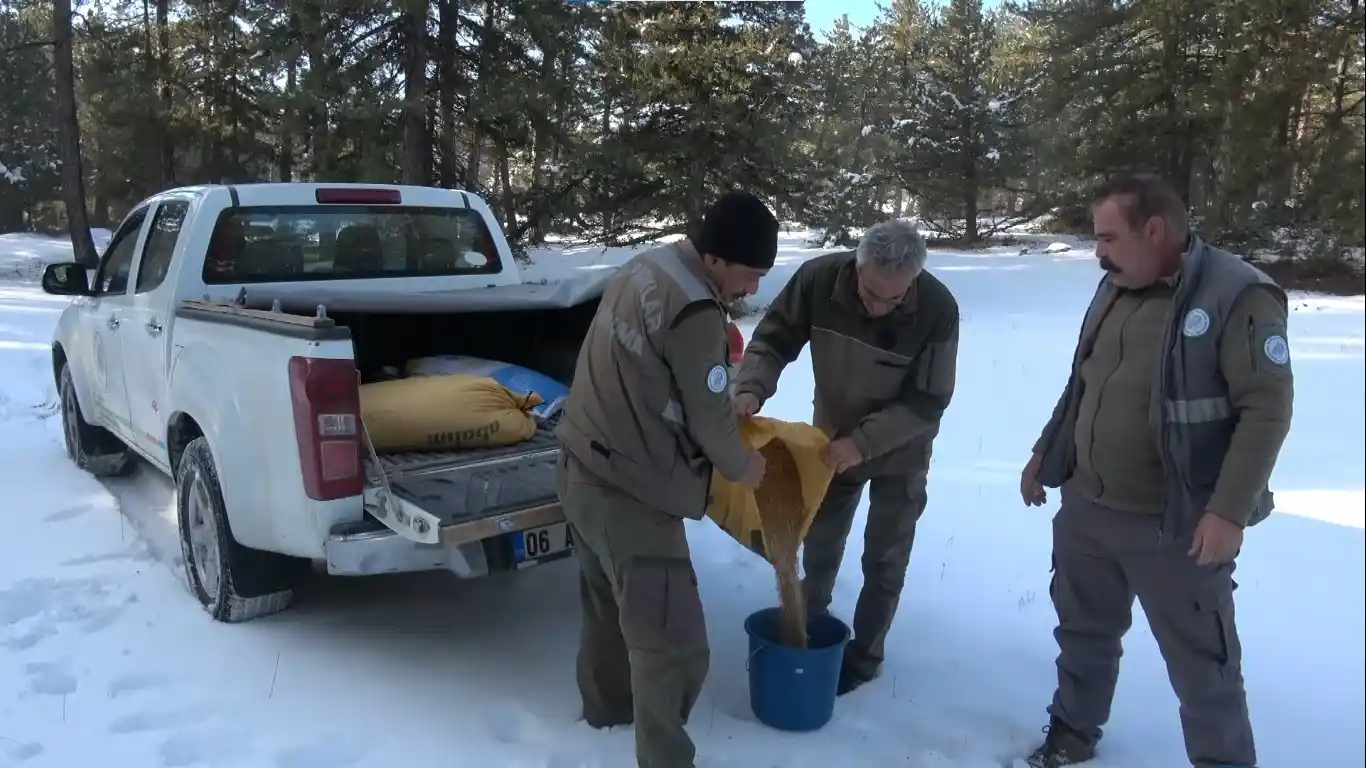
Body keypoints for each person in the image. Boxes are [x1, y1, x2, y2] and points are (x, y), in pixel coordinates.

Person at [1020, 173, 1294, 768]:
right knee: (1083, 635)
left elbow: (1266, 411)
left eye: (1108, 237)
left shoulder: (1237, 295)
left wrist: (1226, 512)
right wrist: (1047, 451)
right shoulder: (1117, 283)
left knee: (1205, 666)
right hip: (1088, 509)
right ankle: (1071, 736)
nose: (1098, 252)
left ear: (1155, 230)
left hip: (1175, 525)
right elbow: (1084, 379)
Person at [554, 190, 776, 768]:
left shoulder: (646, 266)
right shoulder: (696, 311)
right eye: (750, 275)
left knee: (608, 606)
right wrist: (743, 465)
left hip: (580, 464)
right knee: (673, 644)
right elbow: (710, 419)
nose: (752, 289)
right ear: (717, 259)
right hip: (631, 491)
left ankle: (604, 718)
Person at [731, 218, 961, 695]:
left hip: (899, 449)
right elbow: (774, 337)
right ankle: (807, 632)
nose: (877, 307)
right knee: (818, 543)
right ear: (856, 266)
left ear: (913, 281)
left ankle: (865, 656)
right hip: (830, 444)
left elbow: (928, 401)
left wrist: (865, 442)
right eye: (869, 293)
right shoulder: (819, 280)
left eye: (892, 300)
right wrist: (751, 388)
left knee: (885, 558)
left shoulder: (937, 309)